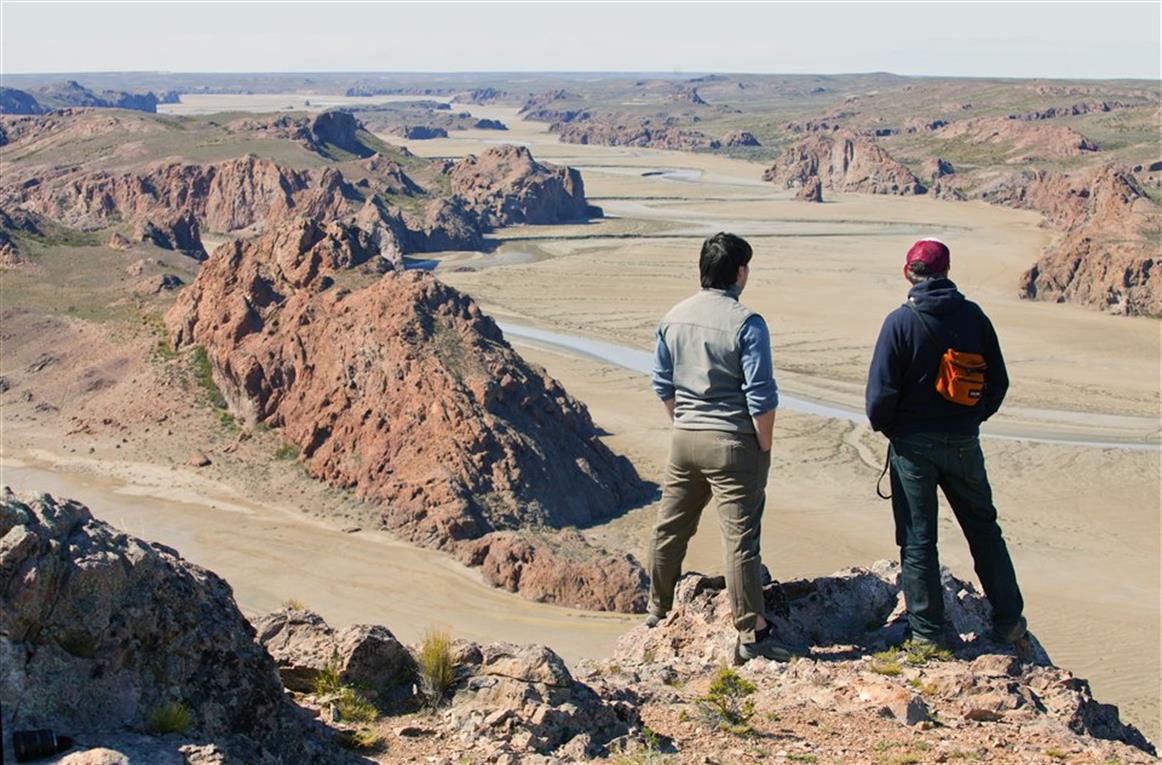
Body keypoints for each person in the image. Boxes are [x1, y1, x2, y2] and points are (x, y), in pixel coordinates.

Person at [865, 238, 1027, 648]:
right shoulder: (974, 317)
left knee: (918, 539)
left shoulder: (899, 322)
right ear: (947, 272)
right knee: (984, 531)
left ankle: (927, 636)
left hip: (913, 447)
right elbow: (999, 382)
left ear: (908, 273)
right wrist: (969, 418)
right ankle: (1009, 621)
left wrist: (894, 430)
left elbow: (880, 398)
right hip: (963, 443)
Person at [648, 232, 793, 663]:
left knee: (670, 527)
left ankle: (658, 610)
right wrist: (761, 445)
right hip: (733, 442)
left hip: (685, 439)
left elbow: (662, 383)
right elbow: (761, 394)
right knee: (741, 538)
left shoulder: (673, 317)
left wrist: (685, 423)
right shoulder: (747, 322)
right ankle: (751, 631)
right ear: (740, 272)